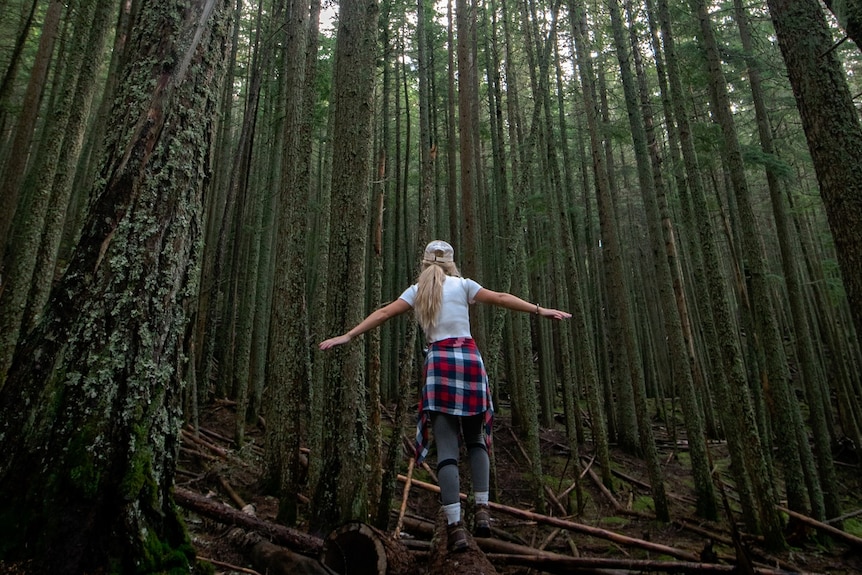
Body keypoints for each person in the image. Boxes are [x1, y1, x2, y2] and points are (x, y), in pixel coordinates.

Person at [319, 240, 571, 552]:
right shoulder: (464, 286)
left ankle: (455, 528)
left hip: (438, 364)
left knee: (448, 449)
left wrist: (349, 335)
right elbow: (502, 298)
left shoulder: (417, 291)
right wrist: (540, 310)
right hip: (468, 360)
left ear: (424, 263)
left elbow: (384, 313)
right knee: (476, 440)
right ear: (451, 262)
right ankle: (482, 512)